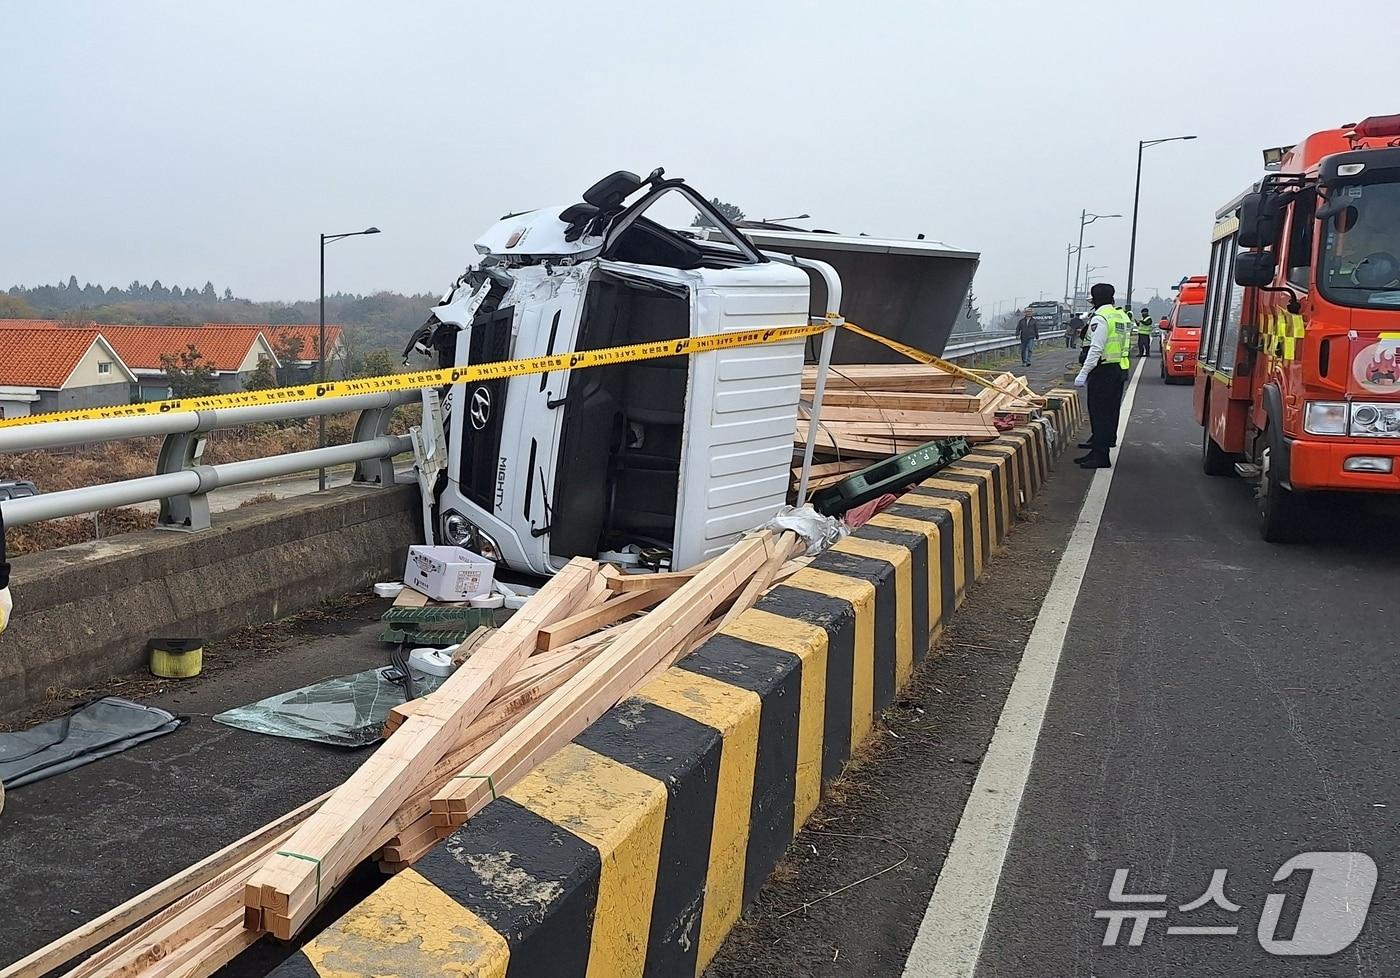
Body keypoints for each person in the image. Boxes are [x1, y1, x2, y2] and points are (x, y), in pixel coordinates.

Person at [1074, 283, 1131, 469]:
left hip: (1102, 371)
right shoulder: (1119, 315)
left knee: (1099, 413)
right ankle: (1098, 449)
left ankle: (1101, 456)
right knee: (1109, 412)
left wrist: (1083, 373)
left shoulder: (1101, 318)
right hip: (1117, 369)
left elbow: (1096, 349)